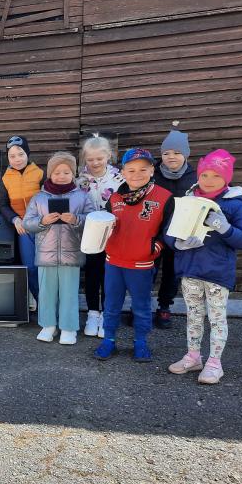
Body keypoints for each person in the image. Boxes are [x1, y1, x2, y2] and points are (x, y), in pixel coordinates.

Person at [165, 150, 242, 384]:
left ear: (227, 178)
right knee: (193, 315)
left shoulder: (235, 204)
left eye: (216, 175)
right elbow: (169, 231)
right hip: (190, 269)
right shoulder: (188, 199)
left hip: (217, 273)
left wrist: (226, 229)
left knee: (216, 319)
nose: (209, 180)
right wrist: (177, 243)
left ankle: (215, 363)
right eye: (204, 175)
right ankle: (193, 356)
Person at [94, 148, 174, 363]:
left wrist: (154, 248)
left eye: (143, 169)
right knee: (111, 306)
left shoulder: (164, 197)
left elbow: (169, 231)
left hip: (141, 265)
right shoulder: (114, 197)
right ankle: (108, 340)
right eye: (131, 170)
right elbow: (104, 225)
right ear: (123, 172)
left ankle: (141, 342)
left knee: (141, 306)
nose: (137, 174)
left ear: (152, 170)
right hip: (114, 263)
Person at [24, 152, 95, 344]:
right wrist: (42, 221)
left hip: (72, 254)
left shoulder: (82, 196)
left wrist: (76, 219)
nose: (61, 176)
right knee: (46, 293)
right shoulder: (38, 198)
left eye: (66, 172)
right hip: (45, 255)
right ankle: (48, 326)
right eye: (57, 172)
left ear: (73, 174)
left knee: (69, 293)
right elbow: (27, 223)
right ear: (49, 174)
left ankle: (68, 328)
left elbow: (93, 220)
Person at [76, 135, 124, 338]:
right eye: (90, 159)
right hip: (88, 235)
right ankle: (93, 314)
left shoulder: (119, 179)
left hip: (112, 235)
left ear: (108, 156)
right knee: (92, 274)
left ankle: (106, 315)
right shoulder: (80, 180)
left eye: (99, 158)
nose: (95, 163)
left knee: (109, 276)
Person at [152, 125, 197, 329]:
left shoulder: (195, 177)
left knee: (172, 272)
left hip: (179, 232)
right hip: (153, 230)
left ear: (186, 154)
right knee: (149, 270)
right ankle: (140, 305)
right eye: (166, 153)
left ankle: (164, 307)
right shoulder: (153, 174)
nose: (171, 157)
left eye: (177, 153)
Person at [0, 135, 44, 306]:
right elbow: (2, 204)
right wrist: (15, 219)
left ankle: (54, 303)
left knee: (46, 267)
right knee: (30, 267)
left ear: (28, 154)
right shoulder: (5, 178)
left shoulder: (40, 173)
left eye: (21, 154)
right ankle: (42, 303)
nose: (17, 159)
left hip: (43, 227)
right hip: (23, 228)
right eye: (12, 156)